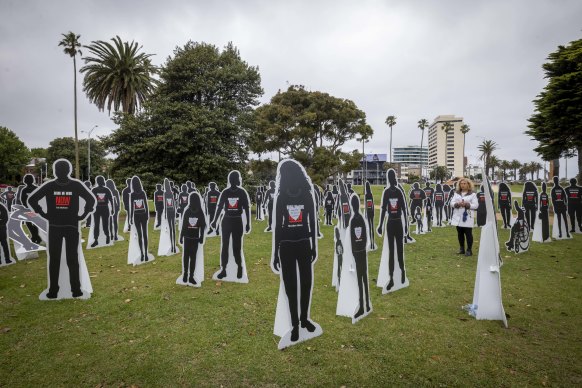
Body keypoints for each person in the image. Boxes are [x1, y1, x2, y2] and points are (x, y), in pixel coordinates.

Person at [28, 159, 96, 298]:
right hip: (57, 226)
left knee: (65, 258)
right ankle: (59, 290)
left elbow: (91, 200)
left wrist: (82, 214)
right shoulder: (52, 185)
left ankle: (71, 289)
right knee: (59, 259)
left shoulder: (71, 185)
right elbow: (32, 200)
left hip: (66, 226)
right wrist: (43, 213)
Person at [271, 159, 318, 343]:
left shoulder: (307, 194)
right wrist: (275, 252)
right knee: (291, 287)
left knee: (306, 283)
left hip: (303, 243)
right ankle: (295, 325)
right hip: (287, 245)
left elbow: (312, 221)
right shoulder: (281, 196)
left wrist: (314, 244)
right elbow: (277, 226)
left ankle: (305, 318)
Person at [210, 170, 250, 280]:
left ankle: (239, 267)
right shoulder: (225, 192)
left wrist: (248, 224)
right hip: (226, 220)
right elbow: (219, 207)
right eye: (236, 178)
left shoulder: (242, 192)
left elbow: (247, 208)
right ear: (232, 179)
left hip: (237, 221)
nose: (237, 180)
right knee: (225, 246)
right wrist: (214, 221)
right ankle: (223, 269)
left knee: (237, 246)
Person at [376, 169, 408, 291]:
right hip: (390, 223)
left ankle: (402, 272)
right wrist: (380, 226)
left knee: (399, 251)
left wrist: (406, 226)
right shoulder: (386, 192)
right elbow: (383, 209)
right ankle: (391, 279)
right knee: (391, 252)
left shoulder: (399, 192)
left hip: (398, 222)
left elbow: (404, 209)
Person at [348, 194, 371, 319]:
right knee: (364, 277)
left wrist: (355, 250)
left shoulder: (355, 220)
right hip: (360, 251)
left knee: (360, 278)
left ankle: (364, 305)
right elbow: (364, 236)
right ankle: (365, 304)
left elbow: (354, 238)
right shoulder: (359, 219)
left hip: (358, 252)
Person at [179, 192, 207, 285]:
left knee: (189, 257)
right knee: (190, 257)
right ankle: (186, 275)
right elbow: (184, 225)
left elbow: (203, 226)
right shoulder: (188, 211)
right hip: (190, 237)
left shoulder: (199, 212)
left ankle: (190, 276)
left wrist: (202, 237)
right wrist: (181, 236)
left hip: (192, 238)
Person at [450, 177, 478, 256]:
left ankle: (469, 250)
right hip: (458, 216)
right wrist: (457, 204)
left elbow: (476, 205)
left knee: (468, 234)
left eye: (464, 183)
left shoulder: (472, 194)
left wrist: (466, 204)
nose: (462, 185)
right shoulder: (456, 193)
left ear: (468, 185)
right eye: (461, 184)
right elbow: (451, 203)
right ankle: (461, 248)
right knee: (460, 233)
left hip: (467, 217)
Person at [129, 176, 150, 262]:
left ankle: (142, 254)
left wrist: (130, 217)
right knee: (144, 234)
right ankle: (145, 254)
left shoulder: (133, 194)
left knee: (140, 235)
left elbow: (132, 208)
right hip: (143, 214)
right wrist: (147, 214)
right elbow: (146, 205)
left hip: (137, 216)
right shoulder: (142, 193)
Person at [90, 176, 114, 247]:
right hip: (97, 209)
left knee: (105, 225)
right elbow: (91, 199)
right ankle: (96, 240)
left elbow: (111, 199)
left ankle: (107, 236)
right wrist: (91, 207)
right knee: (96, 225)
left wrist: (113, 209)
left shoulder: (106, 190)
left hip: (105, 209)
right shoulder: (94, 190)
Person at [19, 174, 42, 244]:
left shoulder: (26, 189)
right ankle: (36, 237)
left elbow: (22, 199)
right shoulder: (32, 189)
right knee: (31, 223)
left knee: (31, 223)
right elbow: (22, 199)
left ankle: (35, 237)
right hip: (32, 209)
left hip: (32, 209)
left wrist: (26, 206)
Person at [163, 178, 178, 254]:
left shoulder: (165, 194)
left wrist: (165, 214)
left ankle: (172, 246)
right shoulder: (171, 193)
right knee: (173, 229)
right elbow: (173, 204)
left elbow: (166, 205)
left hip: (169, 212)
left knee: (170, 229)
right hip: (172, 211)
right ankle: (173, 246)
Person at [364, 181, 376, 250]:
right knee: (372, 228)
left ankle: (371, 243)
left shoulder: (366, 195)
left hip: (368, 212)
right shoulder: (371, 194)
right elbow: (372, 204)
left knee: (369, 227)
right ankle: (373, 243)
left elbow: (366, 205)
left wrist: (365, 213)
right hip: (371, 211)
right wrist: (373, 211)